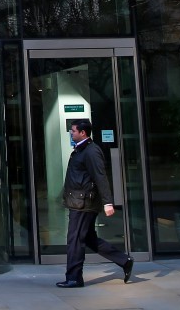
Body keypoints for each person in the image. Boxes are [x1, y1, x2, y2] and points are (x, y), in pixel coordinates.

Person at [56, 119, 134, 288]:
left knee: (75, 239)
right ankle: (124, 260)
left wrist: (108, 203)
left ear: (83, 133)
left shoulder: (91, 151)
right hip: (79, 200)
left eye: (73, 131)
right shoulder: (81, 149)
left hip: (84, 203)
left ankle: (74, 278)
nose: (71, 133)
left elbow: (101, 177)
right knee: (89, 238)